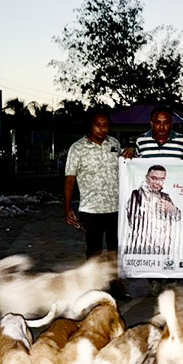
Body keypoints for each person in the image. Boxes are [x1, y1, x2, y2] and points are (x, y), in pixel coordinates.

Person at [64, 110, 123, 259]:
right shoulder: (77, 148)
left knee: (115, 249)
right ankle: (94, 275)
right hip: (91, 210)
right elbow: (70, 179)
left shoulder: (115, 144)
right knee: (94, 251)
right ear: (90, 126)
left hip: (115, 208)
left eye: (106, 125)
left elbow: (125, 167)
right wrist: (68, 207)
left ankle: (114, 274)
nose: (102, 129)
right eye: (98, 125)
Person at [124, 165, 182, 255]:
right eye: (154, 178)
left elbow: (178, 217)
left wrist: (172, 209)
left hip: (162, 247)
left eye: (161, 179)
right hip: (140, 246)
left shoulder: (165, 197)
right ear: (147, 178)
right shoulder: (136, 195)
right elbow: (132, 221)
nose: (158, 182)